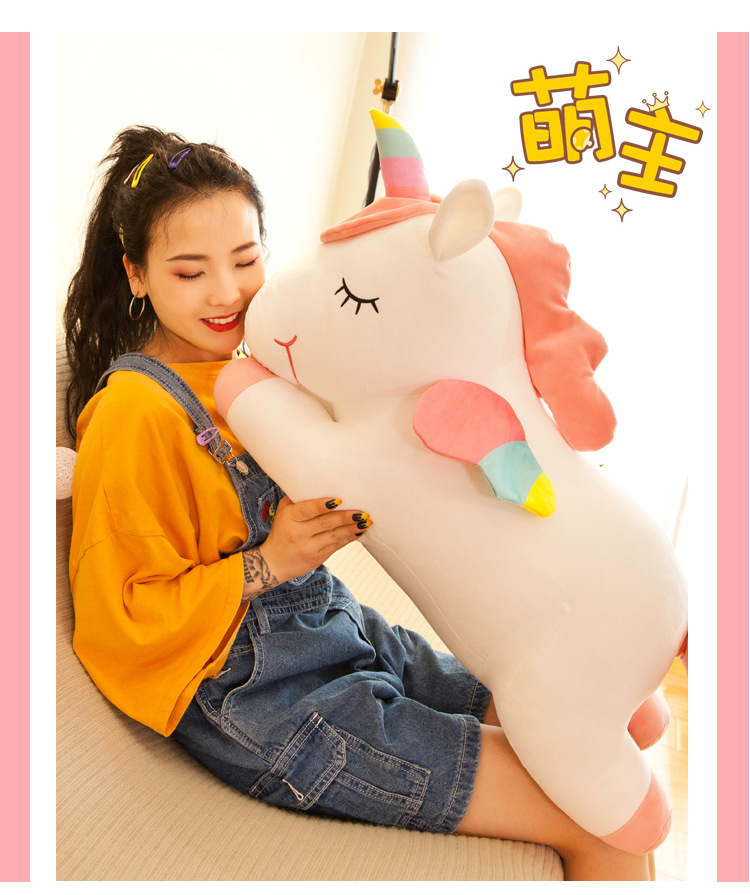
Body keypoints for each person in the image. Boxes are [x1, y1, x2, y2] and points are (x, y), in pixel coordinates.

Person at [64, 125, 653, 882]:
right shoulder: (133, 413)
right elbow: (119, 618)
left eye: (245, 259)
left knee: (608, 725)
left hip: (338, 628)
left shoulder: (264, 363)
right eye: (189, 271)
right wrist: (272, 561)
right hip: (267, 701)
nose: (227, 292)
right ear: (136, 274)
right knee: (605, 824)